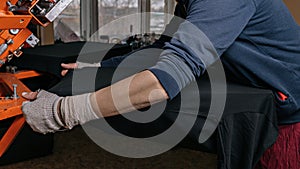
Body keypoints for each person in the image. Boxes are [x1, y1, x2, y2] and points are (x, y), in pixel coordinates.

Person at [22, 0, 300, 168]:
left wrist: (63, 112)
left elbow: (163, 81)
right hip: (263, 101)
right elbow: (160, 51)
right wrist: (98, 68)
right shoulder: (188, 3)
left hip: (290, 118)